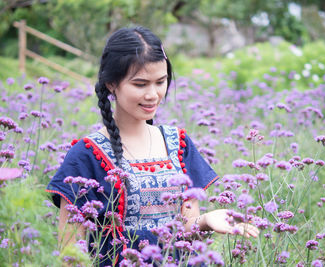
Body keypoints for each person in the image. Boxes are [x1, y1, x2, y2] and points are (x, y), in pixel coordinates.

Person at [46, 26, 259, 266]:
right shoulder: (86, 155)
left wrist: (206, 220)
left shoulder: (178, 143)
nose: (153, 94)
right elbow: (71, 253)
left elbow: (185, 229)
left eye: (160, 82)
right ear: (111, 84)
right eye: (140, 84)